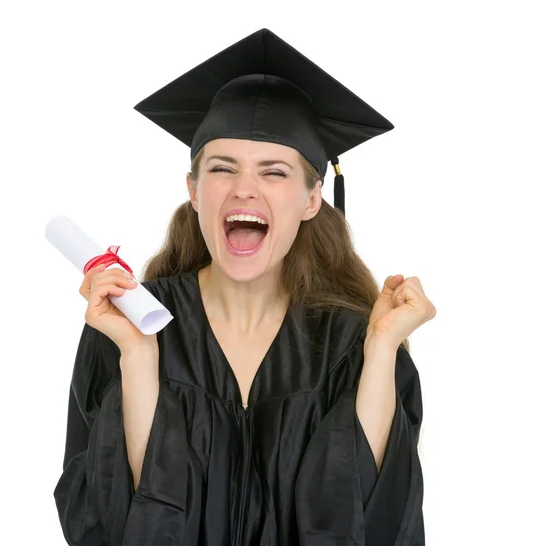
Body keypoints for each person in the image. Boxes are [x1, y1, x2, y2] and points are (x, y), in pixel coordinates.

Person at [53, 29, 436, 546]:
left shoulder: (351, 342)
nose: (244, 188)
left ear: (311, 200)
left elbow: (370, 520)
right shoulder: (130, 323)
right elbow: (117, 522)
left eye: (274, 172)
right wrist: (141, 360)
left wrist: (381, 349)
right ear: (194, 190)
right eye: (222, 168)